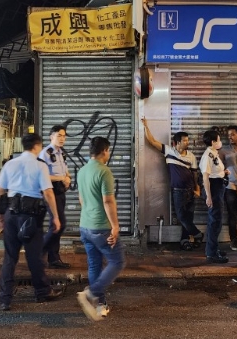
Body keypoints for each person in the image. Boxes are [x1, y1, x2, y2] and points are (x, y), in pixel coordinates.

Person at [0, 133, 64, 311]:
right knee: (34, 257)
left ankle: (4, 298)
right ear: (37, 146)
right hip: (30, 217)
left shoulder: (10, 164)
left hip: (11, 214)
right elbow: (48, 192)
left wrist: (0, 214)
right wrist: (55, 216)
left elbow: (1, 190)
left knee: (10, 257)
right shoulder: (40, 166)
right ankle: (42, 291)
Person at [76, 137, 126, 321]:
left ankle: (100, 304)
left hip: (85, 226)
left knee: (94, 264)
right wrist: (115, 226)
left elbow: (81, 199)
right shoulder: (104, 172)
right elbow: (108, 201)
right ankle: (92, 293)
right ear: (105, 150)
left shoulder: (82, 171)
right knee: (117, 262)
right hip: (101, 227)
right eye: (108, 150)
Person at [141, 117, 203, 251]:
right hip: (178, 191)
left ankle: (185, 241)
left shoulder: (191, 156)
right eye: (184, 140)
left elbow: (195, 174)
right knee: (181, 216)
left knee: (188, 218)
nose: (187, 142)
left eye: (187, 140)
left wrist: (197, 189)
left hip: (190, 191)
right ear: (177, 143)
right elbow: (152, 141)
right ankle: (197, 234)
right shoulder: (169, 151)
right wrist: (146, 126)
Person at [40, 125, 72, 269]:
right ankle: (39, 252)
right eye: (59, 135)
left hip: (60, 191)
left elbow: (65, 171)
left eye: (64, 136)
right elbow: (42, 175)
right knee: (59, 224)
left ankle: (53, 258)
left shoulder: (61, 153)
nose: (62, 139)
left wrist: (68, 178)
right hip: (50, 191)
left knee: (56, 225)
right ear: (51, 136)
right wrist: (61, 178)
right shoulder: (45, 154)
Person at [200, 129, 229, 264]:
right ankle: (211, 253)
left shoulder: (213, 154)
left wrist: (224, 172)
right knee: (215, 221)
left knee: (216, 221)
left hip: (218, 187)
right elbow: (205, 177)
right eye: (218, 139)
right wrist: (209, 196)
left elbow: (215, 171)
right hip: (213, 189)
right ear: (213, 142)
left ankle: (213, 249)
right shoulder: (207, 156)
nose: (220, 142)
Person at [222, 125, 237, 251]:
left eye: (233, 134)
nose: (230, 137)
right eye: (228, 135)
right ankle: (233, 240)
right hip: (230, 186)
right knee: (232, 214)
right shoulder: (224, 150)